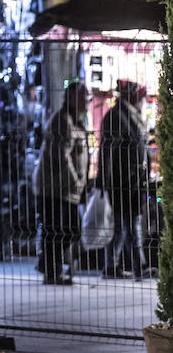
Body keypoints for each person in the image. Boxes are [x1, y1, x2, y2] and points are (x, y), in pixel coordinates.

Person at [33, 78, 89, 285]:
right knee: (57, 230)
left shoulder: (75, 120)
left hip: (66, 189)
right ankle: (51, 270)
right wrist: (75, 180)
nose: (88, 101)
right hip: (55, 188)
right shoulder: (62, 120)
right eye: (84, 96)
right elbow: (61, 156)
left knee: (69, 229)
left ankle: (47, 264)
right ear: (73, 97)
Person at [97, 79, 149, 279]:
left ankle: (132, 266)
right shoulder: (117, 117)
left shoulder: (130, 116)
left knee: (130, 224)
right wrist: (103, 182)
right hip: (121, 182)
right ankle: (119, 266)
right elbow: (106, 152)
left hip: (133, 182)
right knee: (121, 226)